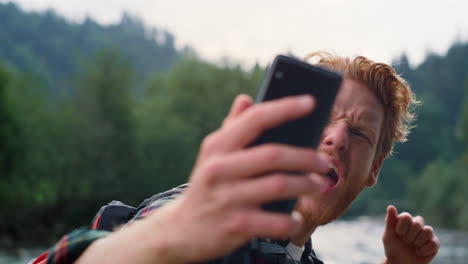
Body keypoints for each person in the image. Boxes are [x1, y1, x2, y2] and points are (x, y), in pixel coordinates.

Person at [32, 52, 440, 264]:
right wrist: (167, 236)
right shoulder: (200, 220)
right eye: (324, 121)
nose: (336, 139)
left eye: (359, 132)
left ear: (374, 170)